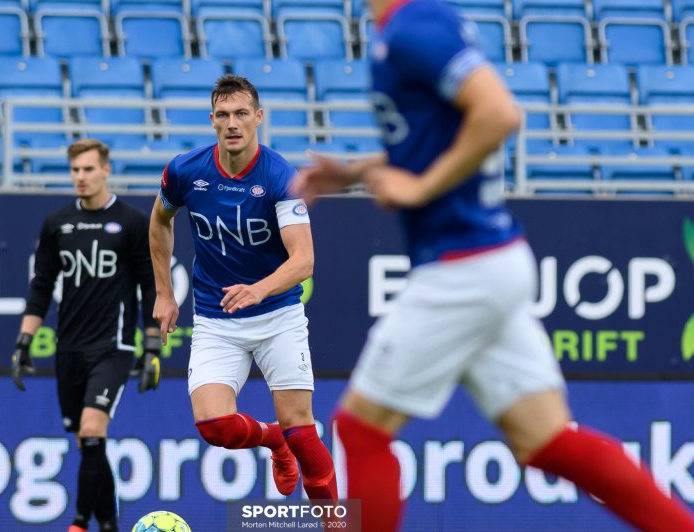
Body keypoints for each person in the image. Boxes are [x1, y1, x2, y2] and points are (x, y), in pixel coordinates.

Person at [290, 1, 694, 530]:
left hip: (462, 268)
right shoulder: (416, 25)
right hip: (490, 260)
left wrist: (421, 188)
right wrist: (355, 173)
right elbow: (433, 140)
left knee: (361, 430)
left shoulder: (415, 26)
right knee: (546, 440)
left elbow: (499, 113)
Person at [148, 74, 338, 505]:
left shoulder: (279, 177)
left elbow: (303, 260)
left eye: (240, 114)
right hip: (217, 319)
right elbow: (159, 221)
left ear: (258, 117)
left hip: (277, 315)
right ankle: (274, 442)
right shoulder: (185, 171)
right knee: (214, 426)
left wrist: (259, 289)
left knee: (304, 435)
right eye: (223, 115)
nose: (232, 123)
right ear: (211, 120)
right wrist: (163, 293)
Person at [10, 138, 161, 532]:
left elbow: (150, 285)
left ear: (106, 170)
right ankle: (108, 523)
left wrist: (151, 345)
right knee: (87, 442)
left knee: (93, 429)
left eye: (89, 169)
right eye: (75, 170)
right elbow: (41, 286)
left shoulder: (131, 221)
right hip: (70, 348)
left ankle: (78, 522)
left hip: (114, 346)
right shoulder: (57, 223)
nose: (81, 177)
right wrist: (24, 341)